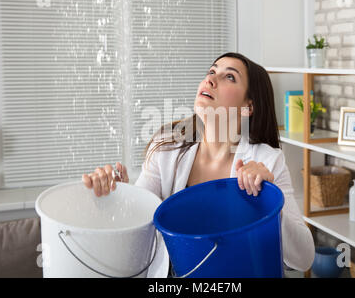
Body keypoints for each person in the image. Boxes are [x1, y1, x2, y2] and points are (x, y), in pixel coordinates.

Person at [82, 52, 315, 272]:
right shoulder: (166, 150)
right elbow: (138, 231)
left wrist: (269, 200)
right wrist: (118, 197)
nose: (211, 79)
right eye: (212, 71)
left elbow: (304, 258)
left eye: (229, 76)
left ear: (248, 106)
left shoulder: (267, 161)